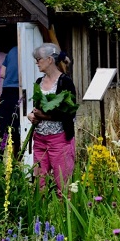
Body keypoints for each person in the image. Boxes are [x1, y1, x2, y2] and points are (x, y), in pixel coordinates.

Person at [27, 43, 77, 192]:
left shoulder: (65, 82)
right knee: (39, 181)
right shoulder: (39, 82)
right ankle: (41, 213)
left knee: (62, 181)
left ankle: (64, 213)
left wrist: (46, 116)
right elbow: (36, 109)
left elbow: (70, 112)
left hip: (59, 139)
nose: (37, 63)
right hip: (40, 138)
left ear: (49, 60)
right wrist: (31, 115)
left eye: (39, 59)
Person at [0, 46, 21, 153]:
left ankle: (3, 156)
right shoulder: (32, 50)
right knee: (16, 128)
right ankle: (17, 158)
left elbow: (2, 73)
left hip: (7, 90)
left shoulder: (12, 50)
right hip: (19, 90)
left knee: (5, 128)